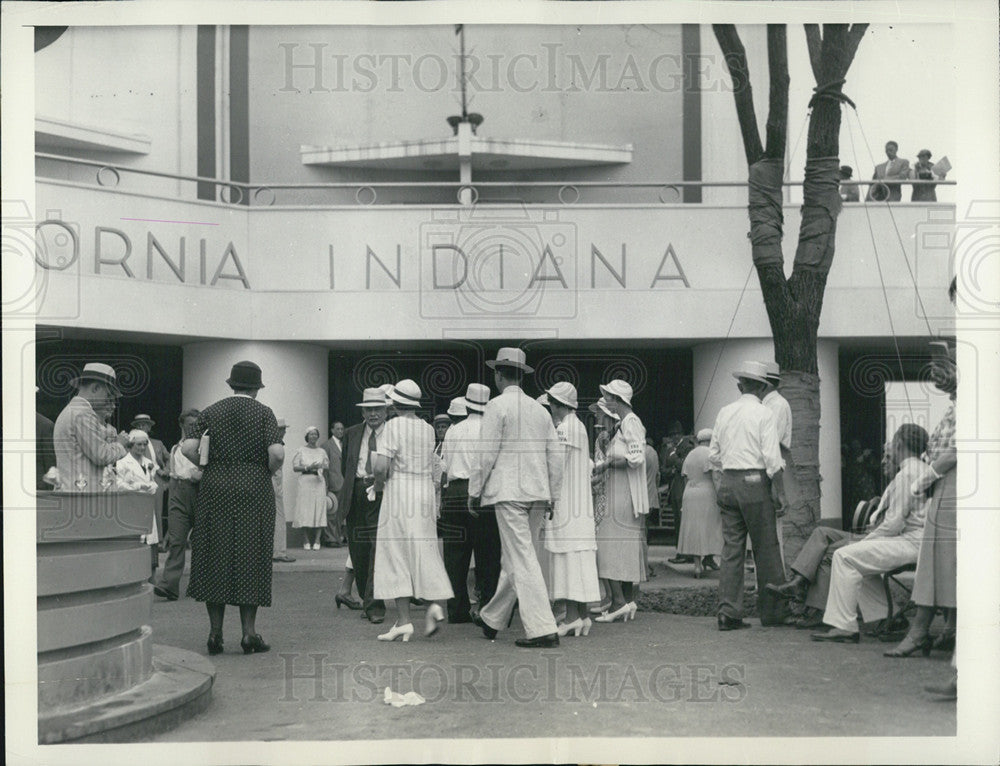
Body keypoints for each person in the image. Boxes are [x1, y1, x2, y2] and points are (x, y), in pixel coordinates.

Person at [180, 360, 284, 656]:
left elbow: (188, 448)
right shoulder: (264, 413)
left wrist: (207, 466)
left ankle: (215, 634)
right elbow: (276, 452)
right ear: (256, 388)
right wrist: (266, 470)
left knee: (215, 553)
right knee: (251, 553)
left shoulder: (211, 411)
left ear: (231, 384)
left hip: (215, 487)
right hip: (253, 487)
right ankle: (249, 634)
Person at [470, 348, 564, 648]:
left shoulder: (497, 406)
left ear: (499, 375)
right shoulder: (541, 410)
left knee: (520, 558)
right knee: (517, 556)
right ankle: (492, 618)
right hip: (537, 492)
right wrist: (554, 494)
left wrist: (475, 489)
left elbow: (485, 454)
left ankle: (542, 628)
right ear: (521, 376)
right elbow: (555, 456)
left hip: (509, 492)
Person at [803, 424, 932, 643]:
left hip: (913, 541)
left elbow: (893, 523)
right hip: (920, 541)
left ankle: (843, 626)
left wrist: (865, 540)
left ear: (899, 444)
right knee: (860, 561)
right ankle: (889, 619)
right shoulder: (923, 469)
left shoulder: (907, 474)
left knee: (844, 556)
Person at [884, 340, 957, 660]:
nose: (938, 376)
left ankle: (922, 631)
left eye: (944, 368)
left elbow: (957, 451)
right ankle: (943, 629)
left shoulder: (974, 402)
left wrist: (925, 478)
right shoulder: (956, 406)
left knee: (942, 561)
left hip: (952, 484)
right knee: (941, 561)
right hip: (943, 485)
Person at [707, 361, 788, 630]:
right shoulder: (764, 413)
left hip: (728, 482)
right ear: (763, 386)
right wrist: (780, 490)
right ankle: (773, 612)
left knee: (732, 550)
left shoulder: (724, 412)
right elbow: (772, 458)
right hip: (754, 481)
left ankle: (728, 612)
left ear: (741, 385)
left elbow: (714, 455)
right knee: (766, 549)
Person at [371, 380, 453, 642]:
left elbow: (381, 467)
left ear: (394, 403)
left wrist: (375, 485)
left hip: (400, 490)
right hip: (424, 491)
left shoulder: (392, 426)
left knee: (395, 551)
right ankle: (435, 604)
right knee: (424, 547)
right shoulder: (428, 428)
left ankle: (405, 621)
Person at [543, 382, 600, 637]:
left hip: (566, 502)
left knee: (568, 558)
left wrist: (549, 496)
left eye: (551, 404)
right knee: (579, 558)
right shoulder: (578, 426)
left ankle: (573, 617)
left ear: (558, 405)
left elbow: (557, 465)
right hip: (579, 504)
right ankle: (582, 615)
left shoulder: (565, 427)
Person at [592, 379, 648, 623]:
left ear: (619, 400)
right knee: (616, 543)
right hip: (618, 489)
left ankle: (618, 601)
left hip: (623, 491)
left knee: (609, 543)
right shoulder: (624, 424)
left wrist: (607, 463)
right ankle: (623, 600)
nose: (608, 403)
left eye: (610, 398)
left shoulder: (631, 421)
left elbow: (636, 456)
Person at [439, 384, 496, 624]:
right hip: (480, 491)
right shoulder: (489, 429)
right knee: (487, 553)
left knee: (454, 554)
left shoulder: (453, 430)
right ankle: (486, 607)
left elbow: (445, 465)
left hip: (453, 490)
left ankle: (457, 608)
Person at [337, 387, 390, 624]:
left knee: (377, 548)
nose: (373, 414)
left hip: (382, 492)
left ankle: (374, 605)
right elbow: (345, 467)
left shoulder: (393, 433)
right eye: (369, 409)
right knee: (358, 549)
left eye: (378, 409)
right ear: (363, 412)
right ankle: (366, 597)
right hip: (357, 492)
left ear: (386, 411)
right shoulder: (351, 433)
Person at [52, 362, 128, 492]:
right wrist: (120, 444)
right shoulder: (84, 413)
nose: (108, 400)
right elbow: (101, 455)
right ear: (96, 388)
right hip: (84, 495)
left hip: (72, 490)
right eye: (108, 395)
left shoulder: (71, 410)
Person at [154, 409, 203, 600]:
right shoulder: (175, 448)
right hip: (178, 492)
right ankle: (169, 585)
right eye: (189, 425)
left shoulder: (204, 446)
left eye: (196, 425)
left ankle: (199, 585)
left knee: (201, 542)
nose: (193, 428)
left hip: (199, 492)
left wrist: (202, 474)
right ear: (182, 425)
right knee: (176, 540)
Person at [677, 428, 723, 578]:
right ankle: (707, 559)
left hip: (690, 492)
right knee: (709, 527)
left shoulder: (690, 454)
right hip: (707, 492)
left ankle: (699, 565)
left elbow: (685, 477)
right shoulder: (711, 454)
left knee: (695, 529)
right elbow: (715, 477)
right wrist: (720, 495)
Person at [588, 398, 619, 615]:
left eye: (599, 413)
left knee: (603, 547)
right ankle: (609, 594)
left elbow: (605, 468)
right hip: (601, 493)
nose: (597, 417)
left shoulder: (607, 438)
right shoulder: (603, 437)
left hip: (606, 495)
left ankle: (612, 595)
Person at [116, 429, 160, 579]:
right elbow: (119, 485)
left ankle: (151, 579)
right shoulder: (122, 463)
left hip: (147, 506)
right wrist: (138, 487)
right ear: (131, 445)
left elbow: (153, 483)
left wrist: (151, 486)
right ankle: (135, 578)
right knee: (137, 542)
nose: (142, 448)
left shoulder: (148, 463)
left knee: (150, 542)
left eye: (144, 445)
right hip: (132, 507)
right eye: (138, 445)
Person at [291, 426, 330, 551]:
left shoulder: (322, 451)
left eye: (315, 434)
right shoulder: (301, 450)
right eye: (311, 434)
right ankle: (306, 540)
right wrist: (308, 467)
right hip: (305, 481)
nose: (313, 436)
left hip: (318, 481)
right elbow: (295, 467)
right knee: (305, 510)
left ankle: (317, 540)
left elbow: (327, 465)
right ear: (307, 436)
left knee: (319, 508)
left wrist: (320, 466)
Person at [271, 418, 295, 563]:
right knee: (279, 517)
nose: (284, 431)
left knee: (276, 516)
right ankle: (279, 551)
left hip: (275, 482)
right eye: (282, 429)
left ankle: (277, 550)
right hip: (274, 482)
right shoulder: (276, 444)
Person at [320, 421, 346, 547]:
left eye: (342, 429)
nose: (340, 431)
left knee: (341, 512)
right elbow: (324, 467)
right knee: (332, 511)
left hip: (344, 482)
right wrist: (326, 485)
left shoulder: (344, 444)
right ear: (332, 430)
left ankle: (338, 537)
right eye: (338, 429)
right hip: (333, 482)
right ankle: (330, 538)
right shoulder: (327, 445)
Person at [643, 438, 660, 580]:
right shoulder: (653, 452)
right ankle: (645, 565)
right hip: (652, 496)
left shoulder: (639, 452)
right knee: (645, 534)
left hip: (641, 498)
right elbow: (657, 476)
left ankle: (644, 567)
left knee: (640, 535)